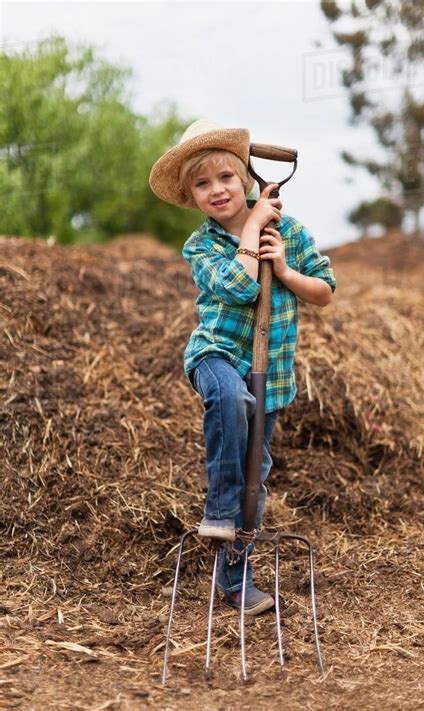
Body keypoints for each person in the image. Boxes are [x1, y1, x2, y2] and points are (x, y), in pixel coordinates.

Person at [149, 119, 336, 616]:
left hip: (271, 373)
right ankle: (218, 511)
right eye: (202, 184)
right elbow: (237, 286)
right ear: (191, 196)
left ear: (248, 179)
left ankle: (236, 579)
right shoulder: (202, 245)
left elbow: (325, 293)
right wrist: (252, 230)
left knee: (256, 474)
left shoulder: (290, 232)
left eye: (225, 178)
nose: (216, 191)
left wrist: (288, 268)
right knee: (229, 398)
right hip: (217, 355)